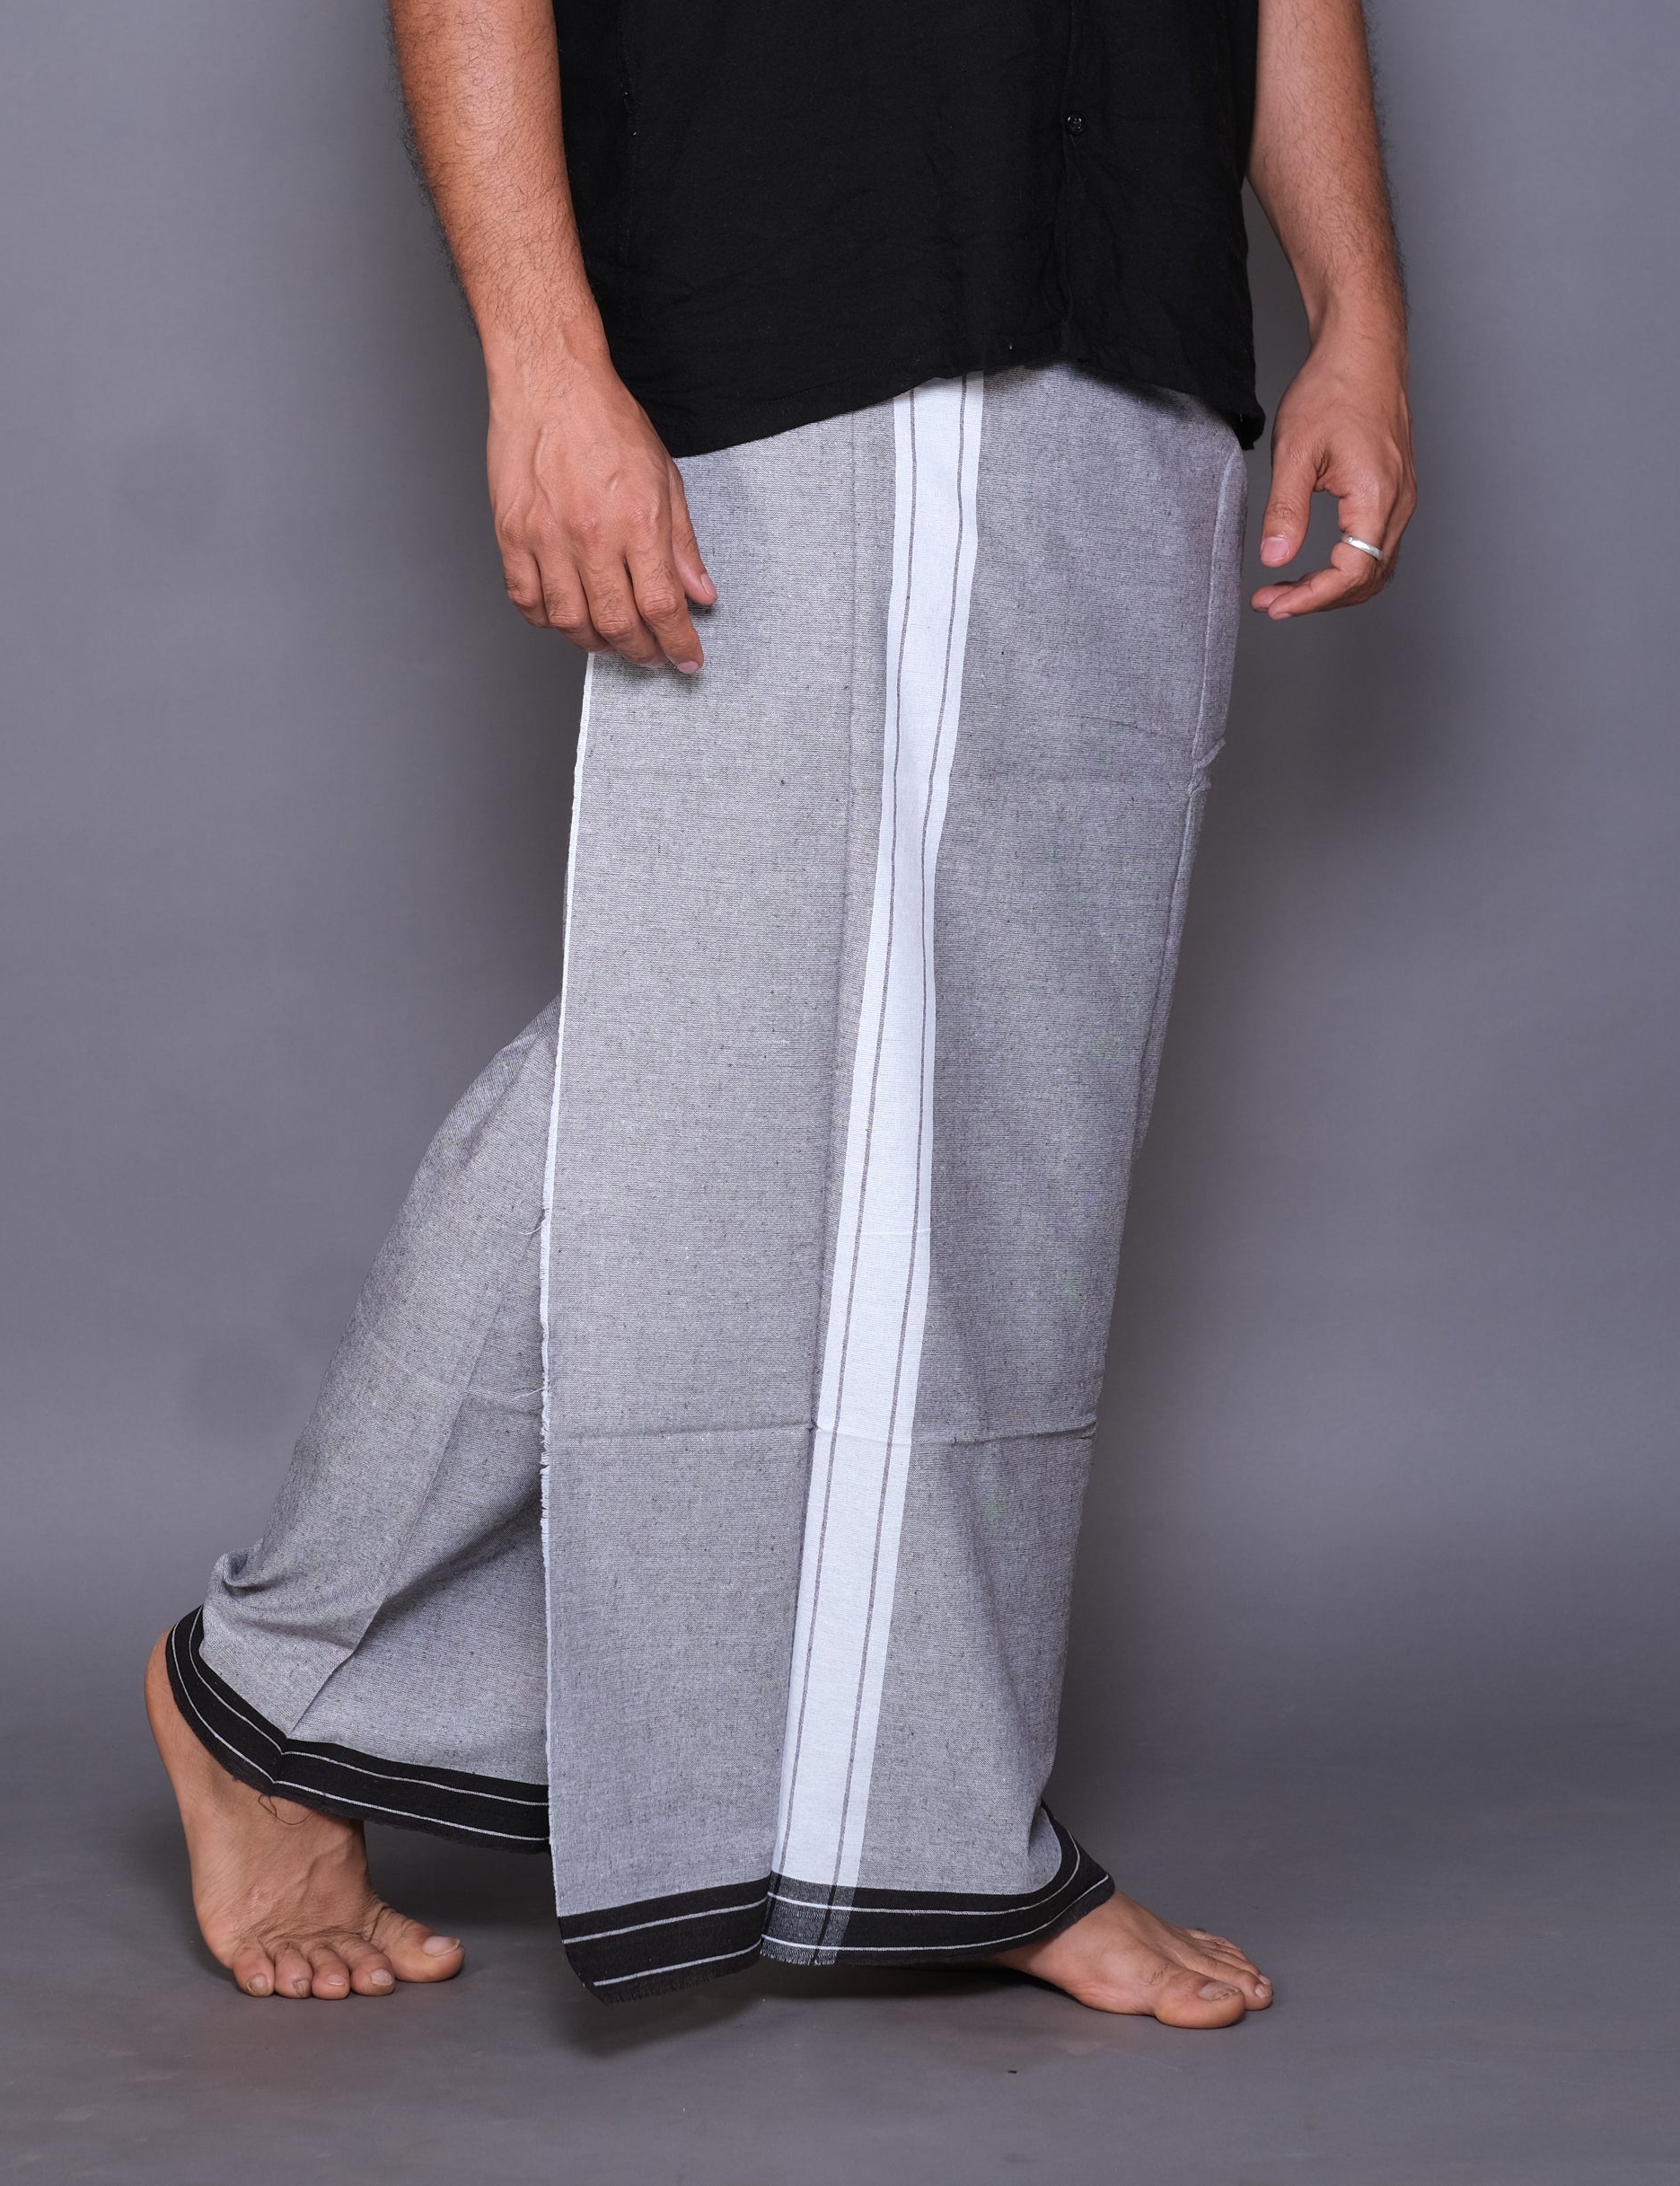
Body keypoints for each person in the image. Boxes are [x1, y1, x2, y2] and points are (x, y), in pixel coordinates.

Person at [146, 0, 1414, 2026]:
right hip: (807, 288)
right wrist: (541, 354)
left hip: (1140, 317)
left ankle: (936, 1816)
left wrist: (1354, 304)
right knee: (712, 1058)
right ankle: (273, 1688)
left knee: (1012, 1121)